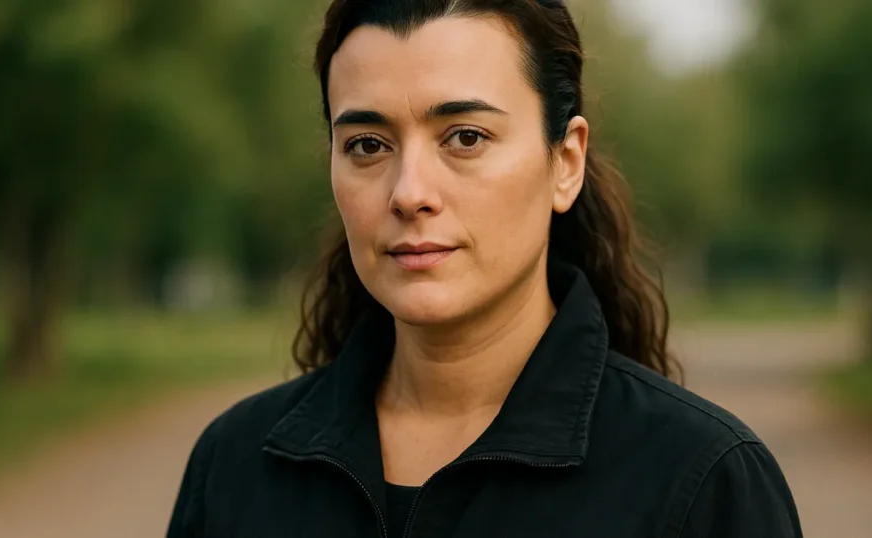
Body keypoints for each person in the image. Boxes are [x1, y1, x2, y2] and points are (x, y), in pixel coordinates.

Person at [167, 1, 803, 536]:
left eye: (465, 137)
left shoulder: (700, 481)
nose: (409, 191)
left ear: (565, 162)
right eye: (367, 145)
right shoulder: (236, 466)